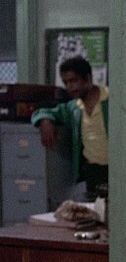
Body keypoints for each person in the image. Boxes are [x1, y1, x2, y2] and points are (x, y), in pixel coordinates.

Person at [31, 56, 109, 198]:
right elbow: (44, 112)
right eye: (66, 82)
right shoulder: (74, 108)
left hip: (117, 168)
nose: (69, 87)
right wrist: (45, 120)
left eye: (74, 81)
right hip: (92, 172)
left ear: (88, 78)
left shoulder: (111, 100)